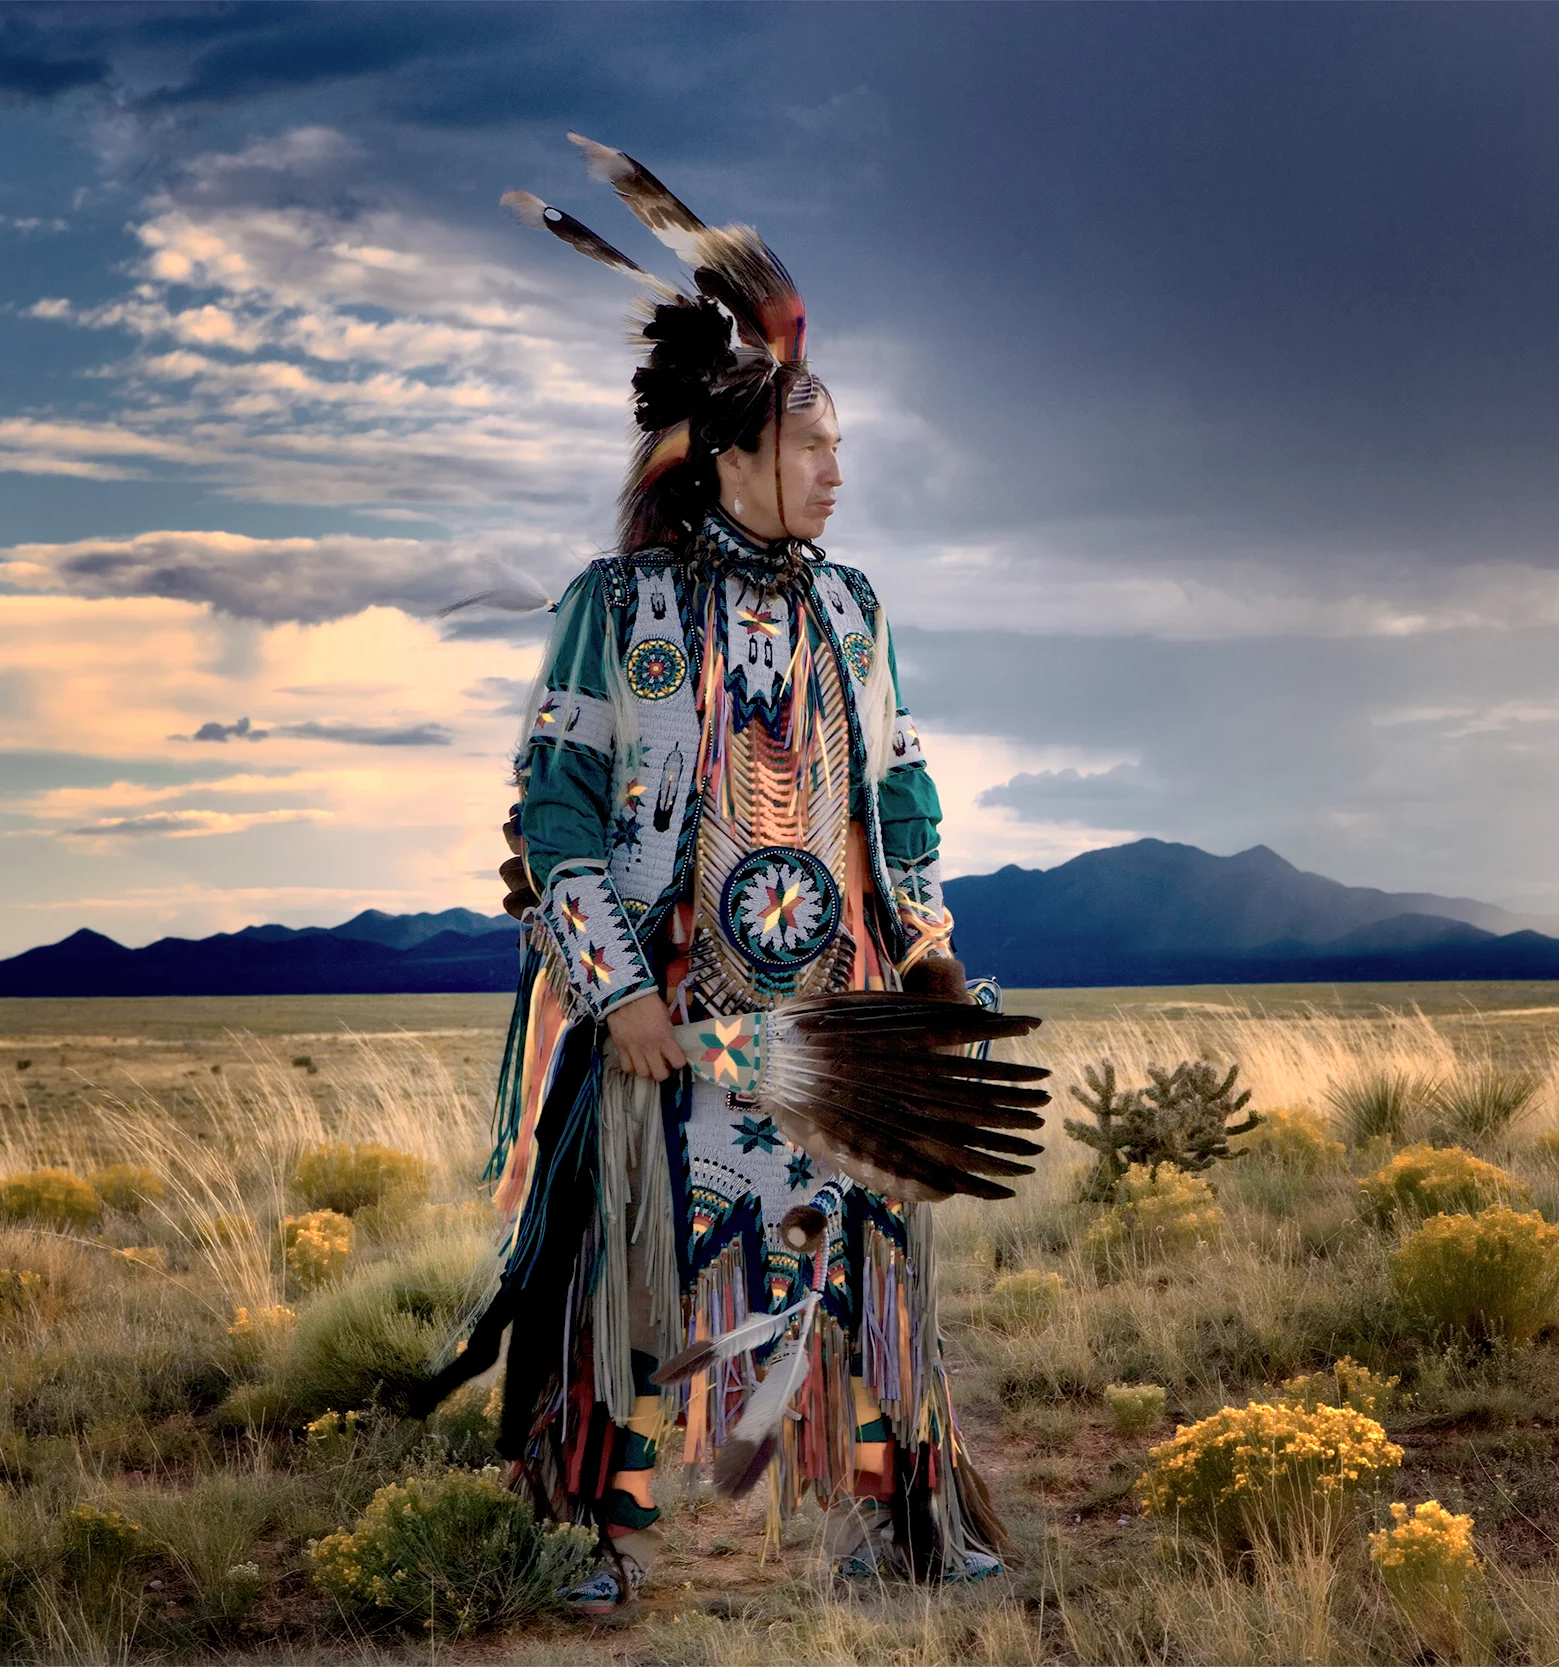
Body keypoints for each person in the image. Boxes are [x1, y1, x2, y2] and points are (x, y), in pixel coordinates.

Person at [428, 136, 1006, 1614]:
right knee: (632, 1261)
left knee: (865, 1258)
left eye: (839, 446)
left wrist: (927, 944)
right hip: (673, 1015)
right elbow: (553, 806)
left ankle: (899, 1523)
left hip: (833, 1018)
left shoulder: (856, 611)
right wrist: (611, 984)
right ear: (735, 450)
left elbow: (902, 793)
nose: (834, 468)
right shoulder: (618, 611)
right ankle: (588, 1530)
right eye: (812, 443)